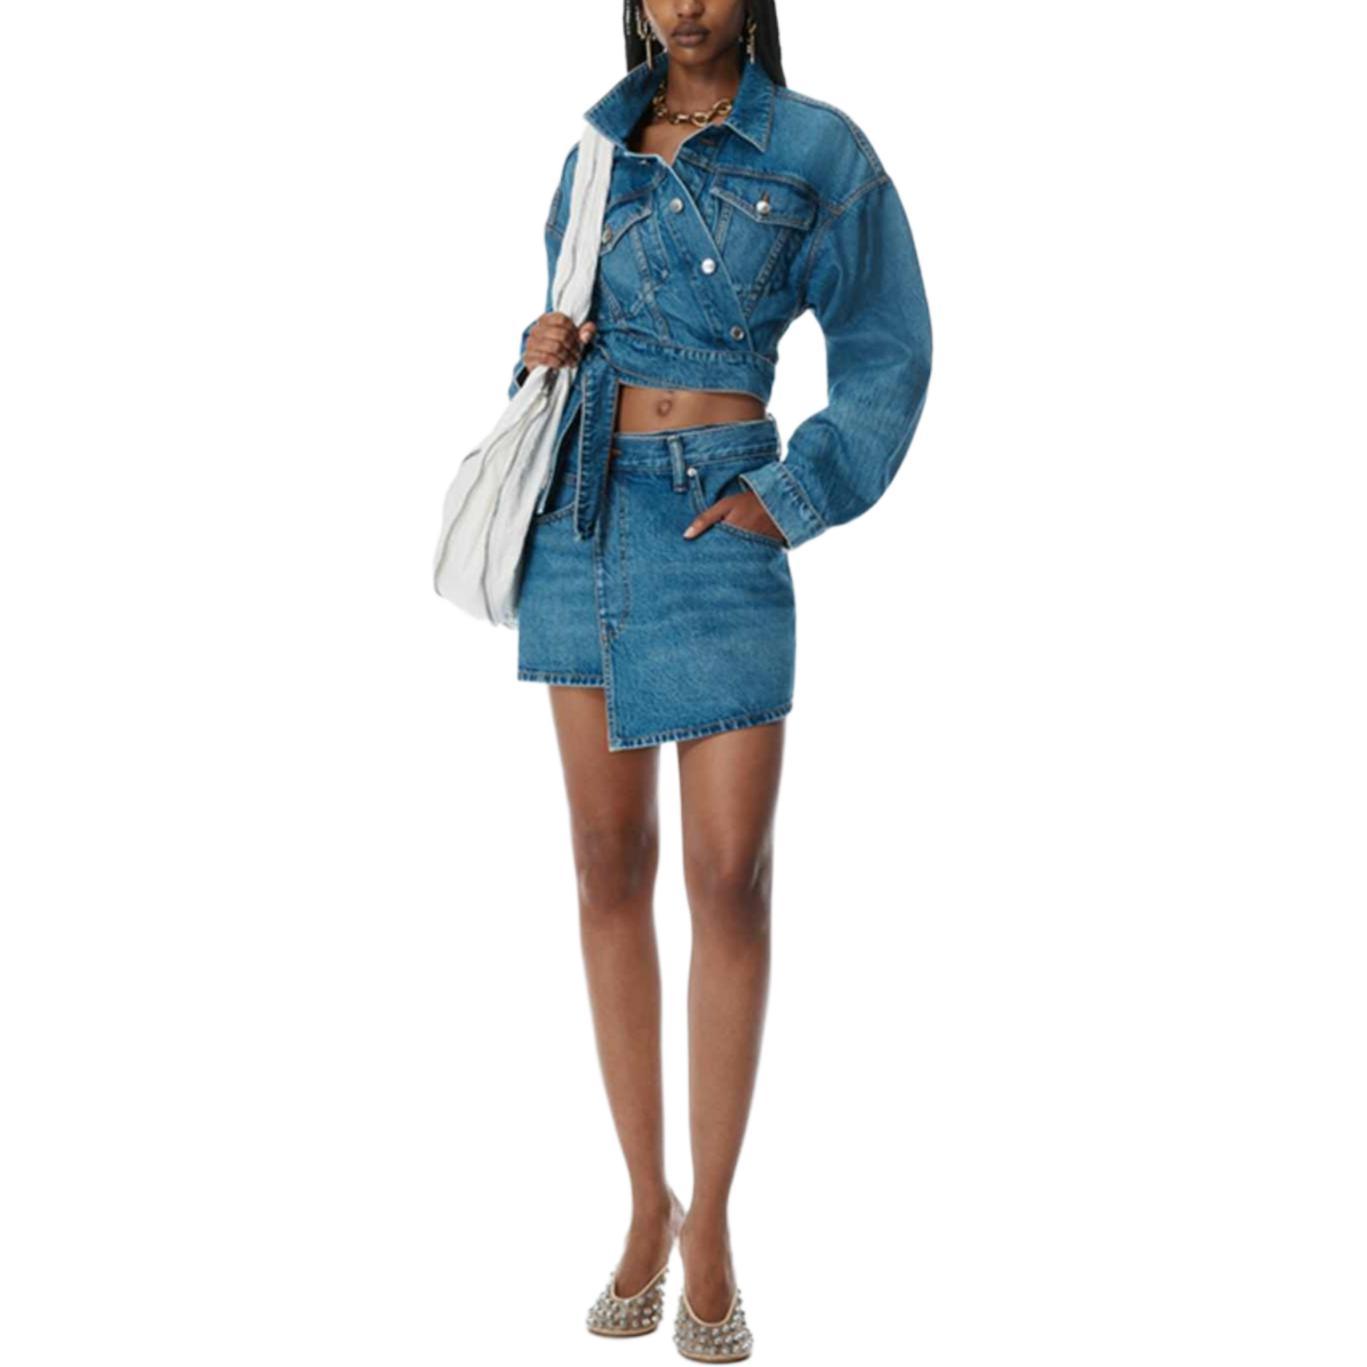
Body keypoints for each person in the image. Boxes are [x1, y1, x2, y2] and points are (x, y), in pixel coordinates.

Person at [507, 3, 931, 1359]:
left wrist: (794, 493)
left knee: (730, 876)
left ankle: (717, 1226)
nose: (682, 3)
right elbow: (557, 338)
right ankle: (646, 1203)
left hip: (716, 519)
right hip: (579, 515)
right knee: (604, 864)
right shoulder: (593, 150)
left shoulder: (817, 148)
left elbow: (890, 347)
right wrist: (537, 348)